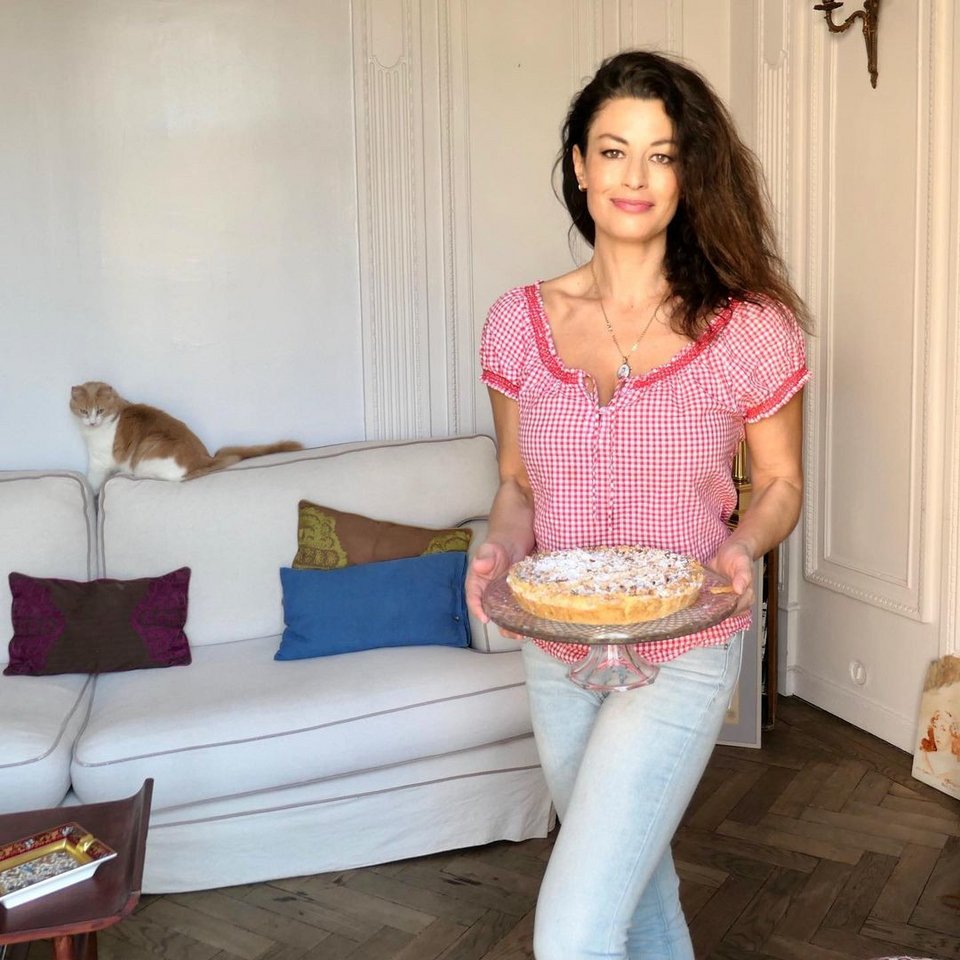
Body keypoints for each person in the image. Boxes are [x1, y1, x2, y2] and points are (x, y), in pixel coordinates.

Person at [465, 50, 811, 960]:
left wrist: (742, 546)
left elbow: (780, 484)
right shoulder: (516, 322)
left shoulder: (750, 328)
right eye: (614, 151)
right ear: (579, 165)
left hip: (688, 640)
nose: (635, 177)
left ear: (688, 175)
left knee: (573, 930)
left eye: (662, 155)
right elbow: (517, 484)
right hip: (556, 642)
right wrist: (498, 548)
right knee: (635, 888)